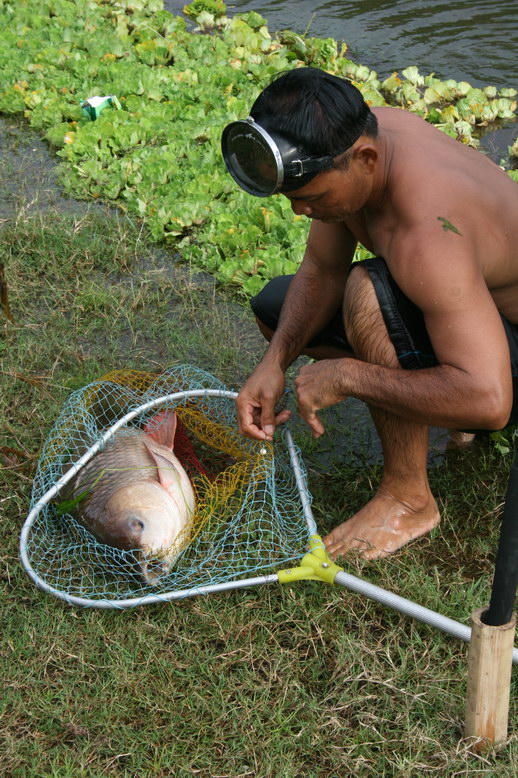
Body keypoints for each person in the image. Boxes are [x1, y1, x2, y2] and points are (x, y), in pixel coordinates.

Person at [220, 66, 518, 560]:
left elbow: (490, 400)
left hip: (498, 376)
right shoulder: (357, 138)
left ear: (365, 159)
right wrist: (273, 363)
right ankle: (448, 410)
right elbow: (321, 267)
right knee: (277, 310)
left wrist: (351, 376)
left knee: (368, 293)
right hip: (478, 320)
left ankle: (408, 499)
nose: (300, 212)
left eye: (311, 198)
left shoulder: (427, 232)